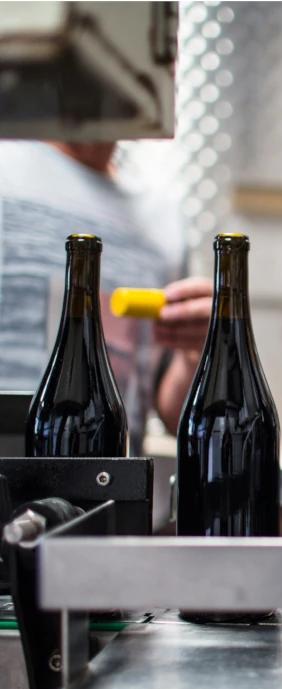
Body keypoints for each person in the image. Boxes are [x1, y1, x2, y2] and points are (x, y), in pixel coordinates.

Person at [0, 140, 212, 454]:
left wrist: (197, 353)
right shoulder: (7, 169)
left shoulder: (162, 220)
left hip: (112, 485)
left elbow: (171, 412)